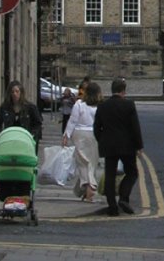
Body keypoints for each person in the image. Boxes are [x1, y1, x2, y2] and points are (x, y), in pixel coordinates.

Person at [93, 77, 144, 216]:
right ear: (123, 91)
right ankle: (123, 196)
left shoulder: (102, 106)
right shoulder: (129, 105)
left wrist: (102, 140)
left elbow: (96, 127)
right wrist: (139, 146)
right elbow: (135, 127)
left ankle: (112, 207)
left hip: (108, 145)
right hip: (127, 145)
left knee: (110, 174)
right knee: (132, 172)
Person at [62, 81, 101, 202]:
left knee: (83, 163)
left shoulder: (79, 104)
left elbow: (73, 121)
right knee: (92, 164)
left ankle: (87, 189)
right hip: (94, 135)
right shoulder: (100, 106)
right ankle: (90, 189)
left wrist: (66, 135)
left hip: (79, 135)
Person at [0, 80, 43, 151]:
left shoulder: (30, 107)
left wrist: (32, 135)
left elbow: (38, 124)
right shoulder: (4, 107)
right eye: (12, 92)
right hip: (9, 141)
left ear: (21, 92)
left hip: (26, 141)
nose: (14, 94)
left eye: (17, 91)